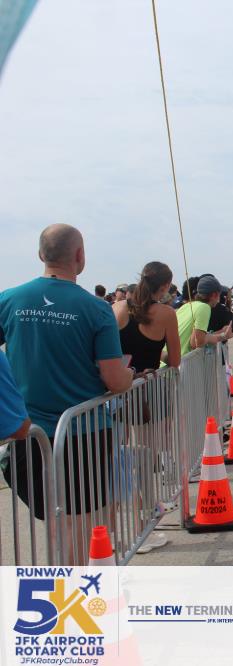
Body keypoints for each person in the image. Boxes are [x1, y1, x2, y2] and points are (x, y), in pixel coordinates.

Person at [0, 224, 134, 563]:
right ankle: (75, 585)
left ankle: (61, 581)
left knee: (53, 519)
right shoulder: (96, 309)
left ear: (40, 254)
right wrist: (130, 375)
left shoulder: (8, 300)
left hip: (27, 432)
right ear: (79, 255)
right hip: (84, 433)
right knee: (82, 521)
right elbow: (114, 379)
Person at [113, 261, 181, 372]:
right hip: (148, 381)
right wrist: (159, 354)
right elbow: (175, 361)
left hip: (116, 380)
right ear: (165, 286)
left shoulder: (117, 307)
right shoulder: (167, 313)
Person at [176, 274, 229, 356]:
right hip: (182, 361)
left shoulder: (187, 306)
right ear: (215, 295)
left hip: (168, 361)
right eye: (220, 294)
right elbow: (196, 342)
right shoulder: (204, 307)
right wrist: (223, 335)